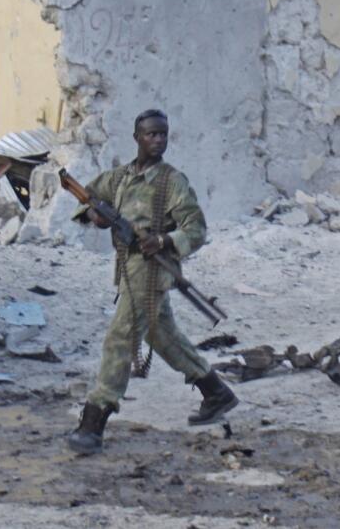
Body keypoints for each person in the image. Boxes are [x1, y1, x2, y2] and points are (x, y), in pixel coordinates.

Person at [67, 109, 238, 455]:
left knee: (120, 338)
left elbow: (196, 228)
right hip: (127, 266)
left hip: (153, 269)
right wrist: (95, 215)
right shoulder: (118, 178)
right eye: (151, 134)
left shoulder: (172, 182)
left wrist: (163, 241)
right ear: (137, 138)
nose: (158, 140)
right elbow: (88, 199)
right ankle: (216, 392)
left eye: (163, 134)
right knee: (162, 335)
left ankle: (93, 423)